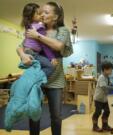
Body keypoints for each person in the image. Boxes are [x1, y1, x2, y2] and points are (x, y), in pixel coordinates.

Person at [17, 2, 73, 135]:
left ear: (55, 17)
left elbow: (58, 46)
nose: (42, 14)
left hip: (56, 80)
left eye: (46, 12)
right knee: (34, 113)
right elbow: (21, 45)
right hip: (37, 80)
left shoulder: (62, 30)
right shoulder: (35, 27)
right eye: (41, 12)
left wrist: (38, 36)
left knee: (56, 116)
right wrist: (22, 54)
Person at [21, 3, 58, 77]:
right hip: (32, 53)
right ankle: (35, 79)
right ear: (31, 16)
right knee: (49, 67)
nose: (41, 15)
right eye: (38, 14)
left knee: (36, 68)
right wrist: (52, 57)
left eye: (41, 13)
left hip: (27, 51)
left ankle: (32, 77)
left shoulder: (30, 26)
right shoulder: (39, 28)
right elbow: (44, 45)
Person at [92, 61, 113, 132]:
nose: (111, 71)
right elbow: (105, 87)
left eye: (111, 69)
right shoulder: (101, 77)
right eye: (110, 69)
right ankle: (95, 126)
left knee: (107, 111)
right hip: (98, 99)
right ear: (104, 70)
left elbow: (111, 84)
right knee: (98, 112)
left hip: (104, 99)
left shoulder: (107, 77)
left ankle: (105, 125)